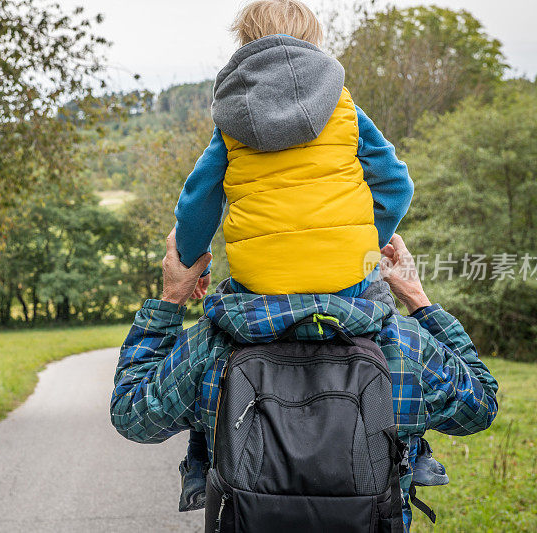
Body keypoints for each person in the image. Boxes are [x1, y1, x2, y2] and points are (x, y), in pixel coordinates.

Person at [171, 0, 445, 512]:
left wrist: (191, 259)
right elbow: (396, 184)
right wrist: (362, 241)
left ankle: (201, 458)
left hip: (261, 285)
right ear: (313, 43)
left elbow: (198, 200)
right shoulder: (343, 107)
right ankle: (414, 449)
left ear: (244, 44)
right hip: (346, 278)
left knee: (224, 342)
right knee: (383, 325)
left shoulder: (232, 118)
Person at [110, 231, 499, 531]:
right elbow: (479, 405)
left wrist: (172, 297)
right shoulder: (402, 342)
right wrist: (416, 295)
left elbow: (133, 414)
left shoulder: (213, 342)